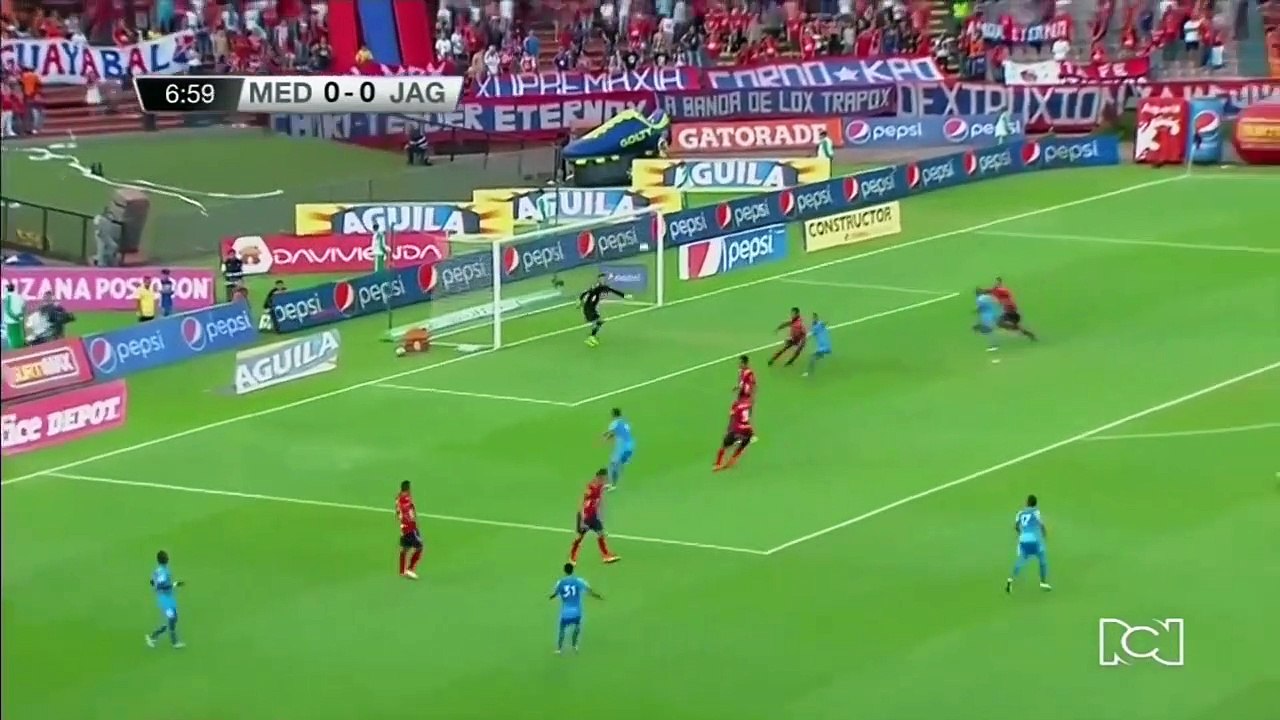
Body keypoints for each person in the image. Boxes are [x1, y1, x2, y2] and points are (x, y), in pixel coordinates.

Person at [568, 470, 620, 564]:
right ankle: (572, 558)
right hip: (586, 517)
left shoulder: (600, 485)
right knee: (579, 538)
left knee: (601, 534)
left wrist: (608, 487)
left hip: (594, 517)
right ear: (599, 477)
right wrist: (581, 518)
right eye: (604, 478)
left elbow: (602, 488)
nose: (605, 480)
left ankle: (606, 556)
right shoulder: (590, 488)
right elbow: (583, 501)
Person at [549, 562, 602, 653]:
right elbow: (589, 590)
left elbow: (555, 593)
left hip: (566, 612)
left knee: (562, 629)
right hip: (576, 612)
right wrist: (598, 596)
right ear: (572, 570)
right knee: (577, 627)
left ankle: (559, 649)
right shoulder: (578, 581)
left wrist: (551, 597)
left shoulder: (561, 582)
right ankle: (574, 645)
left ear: (564, 571)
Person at [1006, 495, 1051, 593]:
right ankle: (1043, 582)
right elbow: (1041, 524)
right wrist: (1044, 533)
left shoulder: (1020, 513)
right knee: (1042, 558)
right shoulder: (1035, 512)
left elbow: (1016, 526)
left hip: (1023, 539)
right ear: (1035, 503)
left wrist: (1020, 533)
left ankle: (1011, 579)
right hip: (1033, 540)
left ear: (1027, 502)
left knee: (1021, 560)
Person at [145, 550, 185, 648]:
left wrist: (155, 588)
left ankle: (155, 637)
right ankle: (171, 642)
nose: (168, 558)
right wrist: (174, 584)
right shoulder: (163, 572)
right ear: (165, 559)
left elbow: (152, 581)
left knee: (173, 618)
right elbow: (160, 586)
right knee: (171, 619)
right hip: (165, 599)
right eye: (167, 557)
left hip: (167, 597)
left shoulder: (159, 570)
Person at [579, 273, 626, 347]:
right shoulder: (600, 287)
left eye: (604, 279)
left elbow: (584, 293)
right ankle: (591, 337)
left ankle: (592, 336)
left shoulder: (595, 286)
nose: (603, 280)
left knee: (598, 322)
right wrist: (624, 295)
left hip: (589, 308)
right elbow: (612, 290)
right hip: (590, 309)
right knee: (599, 322)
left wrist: (580, 300)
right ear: (599, 279)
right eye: (602, 279)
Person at [713, 397, 755, 471]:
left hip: (736, 430)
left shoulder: (737, 407)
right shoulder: (748, 406)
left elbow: (732, 416)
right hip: (747, 431)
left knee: (724, 447)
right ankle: (732, 461)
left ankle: (718, 464)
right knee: (742, 446)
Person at [396, 480, 425, 579]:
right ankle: (410, 569)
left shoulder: (399, 498)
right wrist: (413, 523)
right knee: (419, 547)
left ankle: (402, 571)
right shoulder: (406, 500)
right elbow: (408, 513)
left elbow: (399, 512)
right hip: (410, 528)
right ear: (408, 489)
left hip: (403, 528)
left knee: (405, 548)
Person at [604, 408, 635, 490]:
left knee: (613, 464)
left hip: (622, 447)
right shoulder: (625, 422)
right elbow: (623, 431)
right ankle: (612, 483)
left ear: (613, 414)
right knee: (616, 464)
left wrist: (606, 438)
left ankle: (613, 485)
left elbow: (612, 433)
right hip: (630, 445)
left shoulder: (614, 423)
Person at [973, 288, 999, 352]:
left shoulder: (979, 299)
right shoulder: (987, 296)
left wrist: (975, 311)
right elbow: (996, 301)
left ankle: (993, 345)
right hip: (993, 313)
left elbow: (979, 308)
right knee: (991, 329)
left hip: (986, 316)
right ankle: (994, 343)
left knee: (988, 331)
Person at [2, 280, 26, 349]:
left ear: (7, 289)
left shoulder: (7, 298)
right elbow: (23, 307)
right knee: (19, 338)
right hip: (19, 321)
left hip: (11, 322)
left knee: (13, 341)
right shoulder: (19, 297)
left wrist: (14, 317)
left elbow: (8, 310)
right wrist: (19, 316)